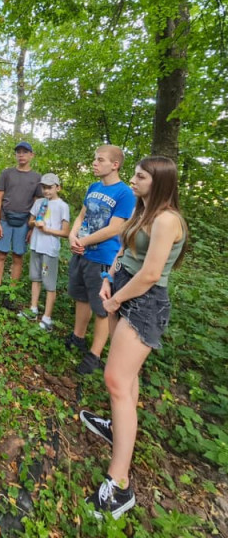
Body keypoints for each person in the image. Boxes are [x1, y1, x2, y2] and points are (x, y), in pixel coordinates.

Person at [80, 156, 187, 519]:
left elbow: (152, 273)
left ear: (158, 182)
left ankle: (120, 484)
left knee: (115, 379)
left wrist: (115, 301)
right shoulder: (142, 212)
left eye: (141, 177)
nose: (134, 181)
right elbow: (124, 251)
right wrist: (109, 279)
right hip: (121, 287)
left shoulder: (167, 220)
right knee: (127, 378)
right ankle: (118, 427)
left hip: (144, 302)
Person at [65, 145, 135, 374]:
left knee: (101, 306)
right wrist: (72, 235)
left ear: (115, 164)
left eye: (100, 160)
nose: (95, 163)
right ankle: (78, 337)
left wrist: (82, 242)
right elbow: (82, 215)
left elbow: (115, 229)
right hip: (81, 253)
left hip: (102, 257)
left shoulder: (125, 193)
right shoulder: (94, 187)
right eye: (95, 159)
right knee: (81, 297)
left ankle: (94, 354)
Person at [0, 142, 42, 307]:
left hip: (24, 222)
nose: (21, 155)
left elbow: (37, 202)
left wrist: (32, 227)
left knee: (18, 256)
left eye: (25, 152)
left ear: (31, 155)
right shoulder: (7, 173)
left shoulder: (36, 178)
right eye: (18, 152)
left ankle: (11, 292)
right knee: (1, 253)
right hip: (5, 219)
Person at [18, 173, 70, 330]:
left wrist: (47, 229)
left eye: (50, 187)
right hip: (36, 246)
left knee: (49, 283)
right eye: (44, 187)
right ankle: (33, 309)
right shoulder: (39, 202)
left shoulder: (62, 206)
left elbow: (66, 232)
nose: (46, 191)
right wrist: (35, 223)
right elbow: (30, 221)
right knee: (35, 278)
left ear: (58, 188)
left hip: (50, 249)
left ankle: (47, 318)